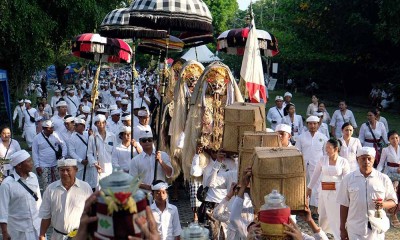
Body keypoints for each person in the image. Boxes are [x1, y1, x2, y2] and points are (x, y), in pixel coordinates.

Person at [336, 147, 397, 240]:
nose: (366, 161)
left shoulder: (383, 178)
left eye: (369, 158)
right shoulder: (348, 179)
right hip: (355, 228)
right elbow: (344, 205)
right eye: (363, 158)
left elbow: (393, 201)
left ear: (374, 160)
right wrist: (342, 229)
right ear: (357, 160)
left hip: (377, 228)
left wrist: (383, 204)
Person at [38, 158, 93, 240]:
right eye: (62, 170)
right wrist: (42, 234)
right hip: (57, 236)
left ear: (76, 170)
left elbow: (91, 212)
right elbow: (46, 215)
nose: (65, 173)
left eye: (68, 170)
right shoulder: (51, 189)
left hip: (79, 236)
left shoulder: (85, 188)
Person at [307, 139, 350, 240]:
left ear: (336, 149)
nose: (326, 150)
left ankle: (339, 234)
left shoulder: (343, 162)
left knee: (336, 214)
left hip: (337, 191)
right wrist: (309, 188)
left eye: (329, 148)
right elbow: (316, 174)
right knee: (322, 213)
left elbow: (347, 179)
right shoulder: (322, 159)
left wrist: (347, 193)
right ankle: (322, 234)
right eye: (326, 147)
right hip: (324, 190)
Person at [0, 150, 42, 240]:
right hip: (19, 231)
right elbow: (2, 211)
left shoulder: (34, 177)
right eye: (29, 161)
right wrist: (4, 233)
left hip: (37, 227)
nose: (32, 163)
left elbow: (38, 200)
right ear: (19, 165)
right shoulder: (7, 184)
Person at [202, 149, 237, 239]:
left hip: (244, 218)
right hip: (224, 209)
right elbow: (210, 183)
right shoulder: (232, 174)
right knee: (216, 235)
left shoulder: (233, 163)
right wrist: (217, 163)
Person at [296, 116, 328, 211]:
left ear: (318, 124)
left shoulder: (323, 137)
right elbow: (297, 152)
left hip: (318, 167)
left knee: (316, 187)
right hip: (304, 166)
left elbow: (325, 154)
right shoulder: (301, 137)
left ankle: (315, 208)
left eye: (314, 123)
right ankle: (303, 207)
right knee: (303, 186)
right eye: (310, 123)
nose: (312, 126)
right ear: (307, 124)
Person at [32, 120, 67, 190]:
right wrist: (37, 166)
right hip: (43, 165)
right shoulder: (37, 138)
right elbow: (34, 153)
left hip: (56, 164)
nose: (52, 129)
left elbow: (63, 145)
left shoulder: (56, 135)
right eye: (50, 128)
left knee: (59, 184)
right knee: (47, 186)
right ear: (44, 129)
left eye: (52, 127)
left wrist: (63, 156)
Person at [376, 130, 400, 228]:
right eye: (392, 138)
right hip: (389, 173)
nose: (395, 140)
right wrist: (377, 173)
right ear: (389, 140)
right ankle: (393, 215)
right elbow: (381, 163)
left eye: (396, 138)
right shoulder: (386, 150)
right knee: (393, 191)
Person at [87, 114, 117, 184]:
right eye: (98, 123)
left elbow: (115, 153)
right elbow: (89, 153)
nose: (101, 125)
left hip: (110, 169)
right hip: (98, 170)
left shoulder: (112, 136)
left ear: (106, 123)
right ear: (95, 124)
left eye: (103, 122)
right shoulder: (92, 137)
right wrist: (94, 163)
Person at [68, 118, 97, 190]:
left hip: (90, 164)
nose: (75, 127)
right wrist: (81, 160)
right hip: (80, 165)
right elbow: (71, 152)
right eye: (75, 125)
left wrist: (92, 136)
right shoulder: (72, 137)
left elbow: (94, 146)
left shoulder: (88, 134)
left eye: (77, 125)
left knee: (91, 184)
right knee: (80, 184)